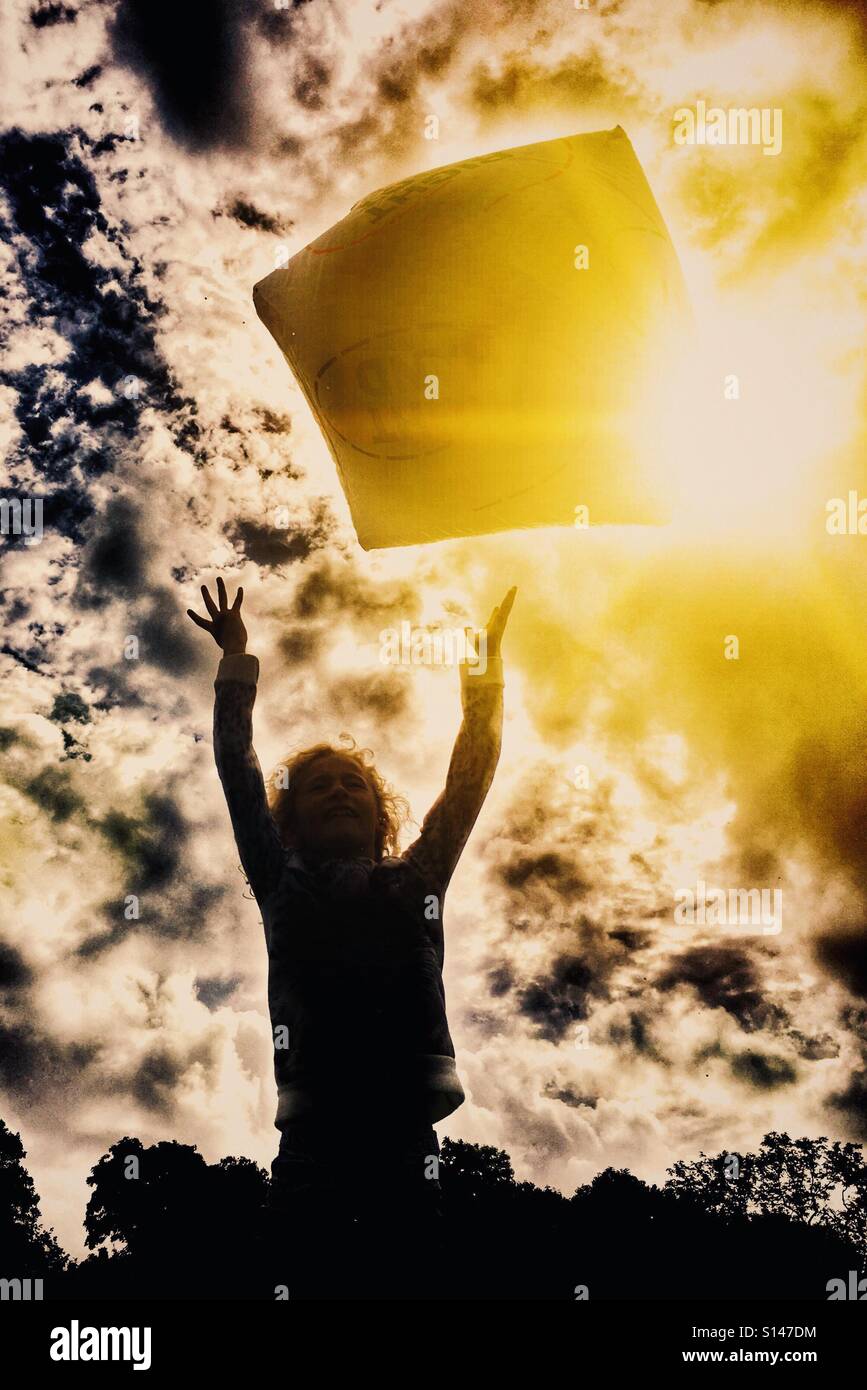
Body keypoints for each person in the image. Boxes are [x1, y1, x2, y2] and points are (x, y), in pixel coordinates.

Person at [187, 577, 516, 1298]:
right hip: (313, 1141)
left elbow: (469, 778)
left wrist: (483, 678)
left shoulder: (417, 879)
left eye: (354, 785)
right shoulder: (282, 882)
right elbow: (237, 772)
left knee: (412, 1281)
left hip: (406, 1134)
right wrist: (237, 660)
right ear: (290, 824)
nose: (339, 791)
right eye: (319, 786)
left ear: (380, 819)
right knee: (302, 1278)